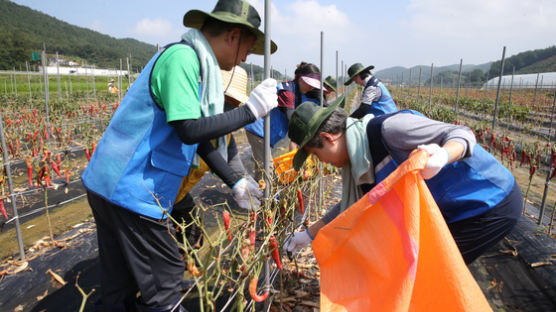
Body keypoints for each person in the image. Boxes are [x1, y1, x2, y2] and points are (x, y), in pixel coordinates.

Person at [81, 1, 277, 311]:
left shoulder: (197, 67)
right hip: (132, 187)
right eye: (247, 50)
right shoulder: (182, 58)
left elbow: (198, 139)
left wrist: (234, 180)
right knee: (165, 281)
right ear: (233, 36)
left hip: (115, 184)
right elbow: (189, 129)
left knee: (121, 284)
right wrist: (250, 112)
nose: (243, 58)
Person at [283, 97, 522, 265]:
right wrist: (309, 234)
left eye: (316, 154)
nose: (321, 162)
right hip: (453, 209)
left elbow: (462, 134)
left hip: (489, 201)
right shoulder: (360, 163)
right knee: (411, 267)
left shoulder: (390, 131)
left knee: (427, 272)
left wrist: (443, 155)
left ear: (328, 138)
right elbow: (353, 206)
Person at [171, 65, 253, 249]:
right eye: (226, 99)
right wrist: (234, 181)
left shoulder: (224, 135)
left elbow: (234, 165)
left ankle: (188, 260)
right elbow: (199, 142)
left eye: (234, 103)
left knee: (191, 237)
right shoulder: (188, 120)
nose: (229, 107)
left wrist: (248, 187)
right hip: (154, 193)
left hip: (177, 194)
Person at [244, 62, 327, 181]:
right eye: (310, 84)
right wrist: (305, 140)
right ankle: (264, 197)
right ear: (301, 79)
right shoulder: (287, 92)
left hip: (266, 132)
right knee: (267, 167)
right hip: (258, 130)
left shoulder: (298, 91)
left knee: (263, 166)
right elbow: (291, 118)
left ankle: (261, 192)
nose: (311, 88)